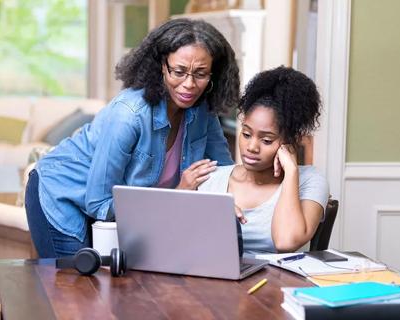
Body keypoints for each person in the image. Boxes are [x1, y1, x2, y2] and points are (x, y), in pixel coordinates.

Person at [25, 18, 240, 258]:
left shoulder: (201, 111)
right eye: (179, 72)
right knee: (76, 289)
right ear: (161, 65)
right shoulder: (128, 116)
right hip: (63, 194)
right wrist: (179, 193)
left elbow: (224, 171)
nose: (189, 85)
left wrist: (251, 188)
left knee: (121, 287)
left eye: (200, 74)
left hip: (121, 212)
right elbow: (99, 204)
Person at [199, 66, 329, 254]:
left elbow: (285, 241)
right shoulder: (211, 178)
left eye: (267, 140)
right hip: (213, 280)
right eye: (246, 134)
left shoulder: (311, 181)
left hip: (276, 282)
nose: (252, 147)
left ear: (290, 140)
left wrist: (291, 172)